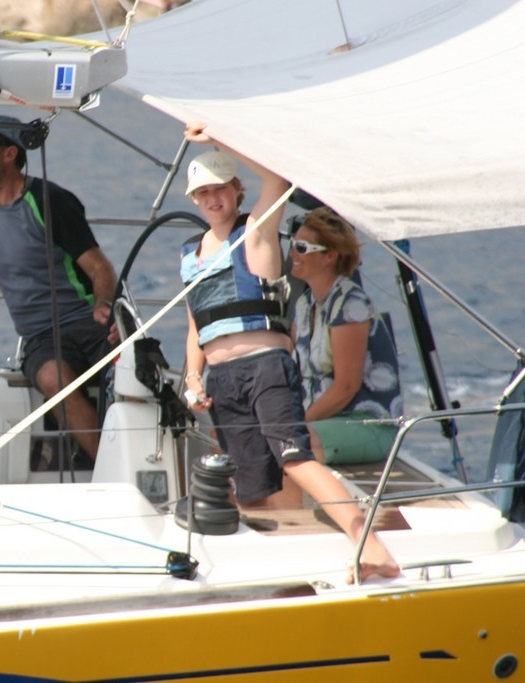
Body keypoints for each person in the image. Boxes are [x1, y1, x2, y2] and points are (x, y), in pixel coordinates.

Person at [178, 122, 399, 581]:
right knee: (253, 481)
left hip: (264, 369)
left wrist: (219, 138)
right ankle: (287, 563)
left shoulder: (255, 231)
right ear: (193, 199)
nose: (212, 199)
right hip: (222, 380)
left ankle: (371, 546)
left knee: (294, 458)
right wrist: (193, 379)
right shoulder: (190, 253)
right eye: (203, 193)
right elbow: (195, 324)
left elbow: (278, 180)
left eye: (221, 188)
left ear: (237, 191)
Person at [0, 114, 119, 464]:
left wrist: (105, 304)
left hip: (86, 322)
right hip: (40, 338)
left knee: (135, 370)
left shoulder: (49, 200)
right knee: (54, 377)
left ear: (10, 154)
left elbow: (100, 268)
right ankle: (110, 467)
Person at [290, 207, 402, 464]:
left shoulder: (351, 304)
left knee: (289, 440)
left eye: (302, 248)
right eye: (294, 245)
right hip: (324, 422)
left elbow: (346, 387)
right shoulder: (304, 304)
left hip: (367, 424)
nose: (292, 254)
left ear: (329, 256)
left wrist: (296, 422)